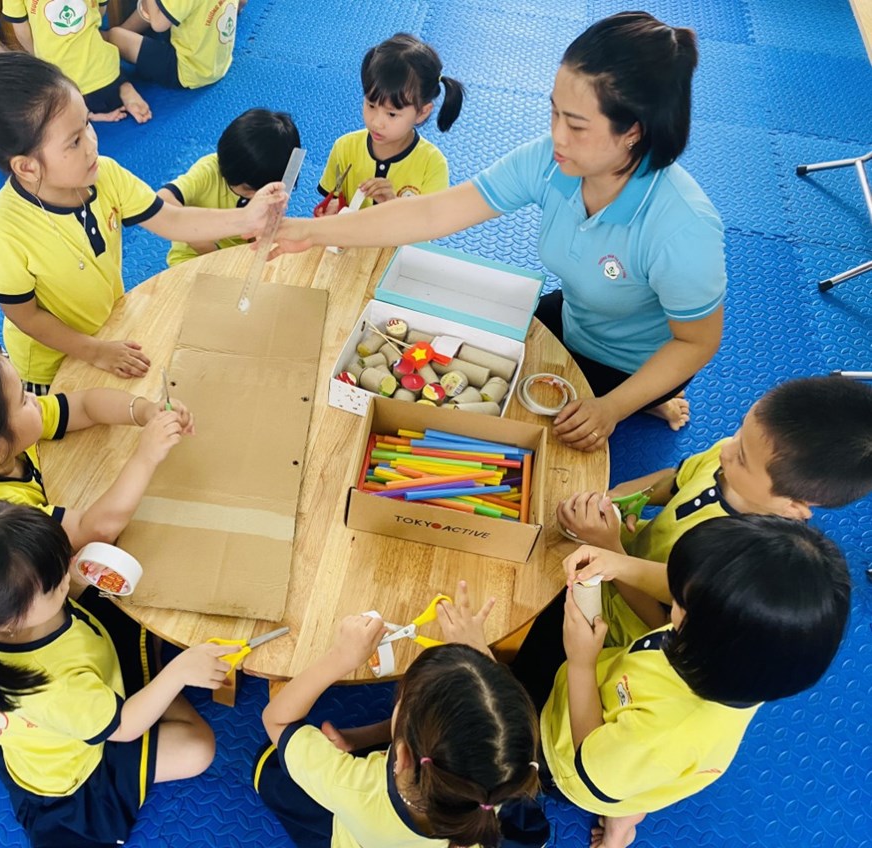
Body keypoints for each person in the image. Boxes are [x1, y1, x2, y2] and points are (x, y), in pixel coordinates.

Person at [275, 12, 724, 450]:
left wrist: (613, 407)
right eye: (554, 112)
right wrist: (312, 231)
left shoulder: (683, 227)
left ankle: (652, 401)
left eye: (576, 125)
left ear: (633, 132)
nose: (557, 136)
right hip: (574, 318)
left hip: (631, 365)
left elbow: (697, 342)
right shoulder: (553, 160)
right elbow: (433, 214)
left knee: (527, 433)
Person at [0, 52, 285, 393]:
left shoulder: (105, 175)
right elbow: (27, 317)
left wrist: (246, 216)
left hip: (108, 328)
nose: (93, 144)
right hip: (49, 367)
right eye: (75, 141)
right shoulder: (1, 233)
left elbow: (171, 219)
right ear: (27, 167)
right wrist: (95, 352)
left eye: (87, 124)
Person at [0, 500, 234, 847]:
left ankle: (148, 683)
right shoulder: (53, 686)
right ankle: (153, 681)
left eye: (62, 562)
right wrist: (177, 673)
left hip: (75, 709)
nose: (66, 574)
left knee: (133, 614)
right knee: (199, 748)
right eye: (56, 581)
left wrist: (74, 578)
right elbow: (124, 728)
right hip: (80, 774)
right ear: (11, 617)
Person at [524, 516, 850, 848]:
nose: (671, 604)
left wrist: (581, 662)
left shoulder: (667, 730)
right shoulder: (749, 660)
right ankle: (626, 818)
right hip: (640, 756)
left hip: (572, 761)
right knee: (643, 786)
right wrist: (617, 563)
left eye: (680, 603)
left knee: (587, 776)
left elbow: (589, 759)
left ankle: (620, 823)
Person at [556, 375, 872, 643]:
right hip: (617, 552)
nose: (726, 449)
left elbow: (660, 620)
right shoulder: (729, 453)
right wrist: (623, 496)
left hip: (615, 625)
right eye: (739, 431)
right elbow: (677, 479)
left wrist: (609, 548)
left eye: (742, 458)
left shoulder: (743, 561)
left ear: (794, 506)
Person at [255, 582, 550, 848]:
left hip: (362, 831)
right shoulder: (501, 779)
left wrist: (341, 657)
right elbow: (489, 724)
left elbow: (277, 720)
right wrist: (477, 652)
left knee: (268, 767)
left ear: (403, 757)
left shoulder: (357, 789)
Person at [0, 341, 194, 549]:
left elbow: (84, 405)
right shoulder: (0, 516)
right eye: (22, 399)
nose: (34, 398)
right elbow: (95, 531)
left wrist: (144, 411)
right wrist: (145, 456)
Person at [317, 33, 463, 215]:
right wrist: (331, 210)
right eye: (371, 105)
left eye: (392, 114)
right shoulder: (344, 148)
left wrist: (393, 205)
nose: (376, 123)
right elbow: (332, 199)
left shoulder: (432, 165)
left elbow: (429, 225)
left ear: (422, 112)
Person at [159, 108, 301, 266]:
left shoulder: (271, 175)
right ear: (229, 171)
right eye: (249, 190)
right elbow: (163, 199)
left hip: (238, 255)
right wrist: (202, 243)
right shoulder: (207, 172)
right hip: (193, 257)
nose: (257, 197)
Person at [4, 0, 151, 123]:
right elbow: (101, 9)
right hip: (108, 77)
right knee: (99, 48)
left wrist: (39, 59)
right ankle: (123, 85)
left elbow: (21, 32)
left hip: (67, 91)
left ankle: (88, 116)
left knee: (44, 110)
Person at [108, 0, 237, 91]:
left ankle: (105, 37)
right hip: (218, 60)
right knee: (153, 5)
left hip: (188, 70)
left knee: (115, 35)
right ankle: (125, 30)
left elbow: (158, 25)